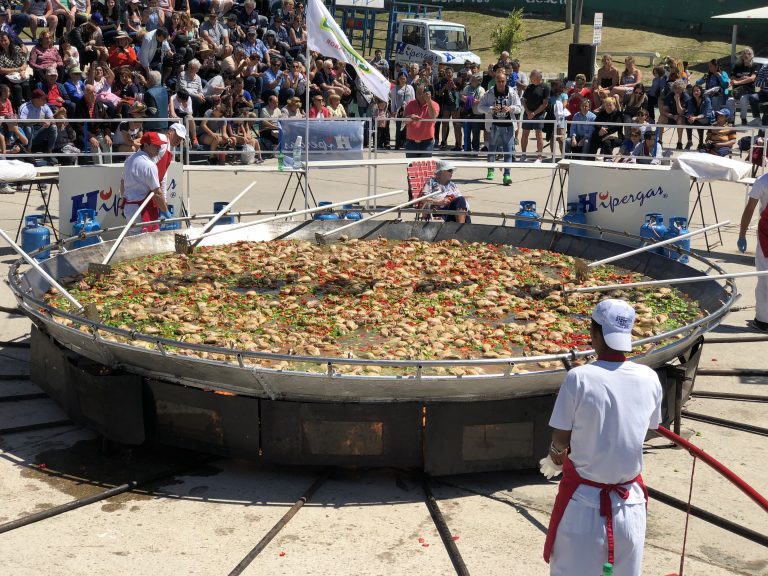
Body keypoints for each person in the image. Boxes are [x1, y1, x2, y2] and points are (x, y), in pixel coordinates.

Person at [544, 298, 662, 576]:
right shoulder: (649, 377)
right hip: (630, 506)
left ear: (594, 334)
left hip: (585, 506)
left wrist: (554, 457)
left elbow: (560, 439)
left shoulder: (579, 377)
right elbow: (652, 427)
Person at [477, 68, 521, 185]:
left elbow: (519, 107)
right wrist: (491, 109)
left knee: (508, 151)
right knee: (492, 150)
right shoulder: (489, 93)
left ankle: (507, 175)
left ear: (506, 81)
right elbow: (480, 107)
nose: (501, 83)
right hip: (494, 126)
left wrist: (510, 108)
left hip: (508, 126)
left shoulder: (512, 92)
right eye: (499, 81)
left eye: (503, 81)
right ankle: (490, 170)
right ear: (495, 81)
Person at [120, 131, 168, 234]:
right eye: (156, 146)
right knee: (147, 241)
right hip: (142, 209)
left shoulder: (130, 159)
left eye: (159, 146)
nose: (159, 148)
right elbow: (157, 193)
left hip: (129, 207)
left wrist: (122, 202)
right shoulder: (149, 165)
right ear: (146, 145)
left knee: (135, 240)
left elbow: (122, 182)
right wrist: (166, 211)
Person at [737, 171, 768, 332]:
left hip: (766, 235)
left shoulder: (763, 181)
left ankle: (763, 321)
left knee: (765, 279)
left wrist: (742, 234)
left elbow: (750, 208)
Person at [419, 159, 470, 224]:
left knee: (461, 200)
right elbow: (423, 199)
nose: (452, 173)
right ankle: (460, 230)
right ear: (442, 171)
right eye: (450, 170)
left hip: (451, 211)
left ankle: (460, 228)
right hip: (437, 211)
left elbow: (459, 198)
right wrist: (439, 202)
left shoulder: (452, 185)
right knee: (460, 201)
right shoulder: (431, 182)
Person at [19, 88, 58, 163]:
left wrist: (48, 122)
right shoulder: (25, 107)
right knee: (28, 128)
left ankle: (49, 153)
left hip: (40, 132)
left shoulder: (45, 106)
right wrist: (39, 121)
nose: (45, 101)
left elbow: (52, 120)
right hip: (25, 135)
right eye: (43, 99)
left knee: (53, 127)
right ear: (36, 99)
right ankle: (28, 153)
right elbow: (22, 122)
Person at [520, 69, 550, 162]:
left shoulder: (545, 87)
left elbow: (545, 103)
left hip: (539, 115)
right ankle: (523, 154)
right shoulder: (529, 87)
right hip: (527, 114)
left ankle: (539, 157)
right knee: (525, 134)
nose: (529, 78)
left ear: (537, 77)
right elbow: (524, 100)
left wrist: (534, 113)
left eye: (531, 76)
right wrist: (528, 111)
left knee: (539, 135)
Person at [403, 83, 439, 158]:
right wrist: (410, 117)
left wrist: (428, 101)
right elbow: (404, 121)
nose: (419, 96)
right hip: (411, 142)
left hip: (427, 142)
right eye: (418, 93)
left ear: (428, 94)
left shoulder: (434, 104)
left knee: (425, 168)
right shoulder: (410, 104)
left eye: (421, 93)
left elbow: (433, 117)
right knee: (412, 167)